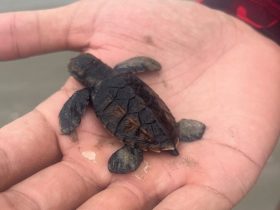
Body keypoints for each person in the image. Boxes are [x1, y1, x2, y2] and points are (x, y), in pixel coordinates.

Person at [0, 0, 279, 209]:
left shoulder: (89, 95)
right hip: (170, 127)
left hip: (137, 140)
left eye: (76, 72)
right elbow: (145, 64)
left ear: (84, 78)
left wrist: (68, 124)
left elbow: (72, 112)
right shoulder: (122, 72)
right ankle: (176, 131)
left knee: (130, 130)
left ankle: (134, 149)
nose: (74, 72)